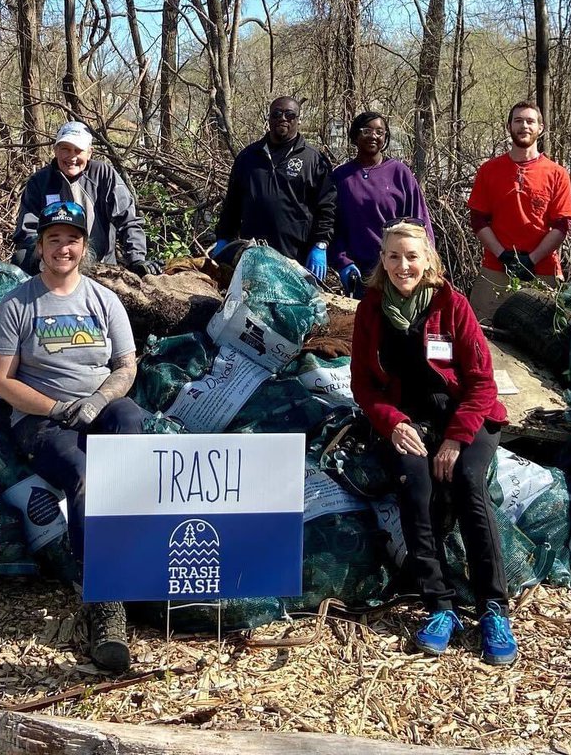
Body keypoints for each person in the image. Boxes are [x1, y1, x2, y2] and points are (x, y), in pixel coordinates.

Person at [0, 199, 144, 673]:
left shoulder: (103, 299)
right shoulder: (18, 303)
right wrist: (58, 407)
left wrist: (97, 401)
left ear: (84, 246)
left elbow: (126, 366)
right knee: (83, 475)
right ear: (39, 247)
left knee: (133, 429)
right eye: (53, 239)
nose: (63, 248)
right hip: (42, 420)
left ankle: (135, 555)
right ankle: (105, 603)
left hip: (99, 405)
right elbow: (1, 380)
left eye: (72, 239)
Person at [350, 221, 515, 665]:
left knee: (467, 483)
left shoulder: (451, 305)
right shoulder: (370, 310)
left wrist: (457, 440)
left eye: (412, 256)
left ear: (428, 261)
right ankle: (440, 606)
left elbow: (483, 383)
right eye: (393, 257)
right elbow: (363, 386)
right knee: (416, 488)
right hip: (409, 419)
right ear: (382, 262)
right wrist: (392, 423)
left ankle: (493, 608)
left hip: (466, 415)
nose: (403, 265)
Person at [466, 102, 571, 323]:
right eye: (518, 121)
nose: (524, 126)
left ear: (540, 128)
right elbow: (478, 220)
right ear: (509, 126)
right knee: (484, 332)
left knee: (545, 340)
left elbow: (562, 225)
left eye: (530, 121)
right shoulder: (489, 170)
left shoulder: (557, 173)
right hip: (496, 268)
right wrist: (503, 256)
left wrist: (531, 259)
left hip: (543, 269)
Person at [12, 121, 160, 277]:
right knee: (21, 257)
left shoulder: (103, 175)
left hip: (99, 264)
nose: (72, 157)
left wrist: (136, 259)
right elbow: (27, 231)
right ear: (55, 150)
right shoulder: (39, 181)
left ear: (89, 152)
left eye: (78, 150)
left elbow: (128, 220)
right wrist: (46, 259)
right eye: (65, 149)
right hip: (54, 261)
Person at [213, 96, 336, 279]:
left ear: (298, 120)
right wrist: (224, 237)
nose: (283, 118)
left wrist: (320, 243)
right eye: (277, 114)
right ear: (269, 118)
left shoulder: (314, 160)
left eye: (290, 114)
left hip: (296, 257)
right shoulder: (248, 158)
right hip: (253, 256)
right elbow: (232, 204)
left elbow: (327, 207)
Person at [331, 111, 433, 297]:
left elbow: (419, 221)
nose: (373, 136)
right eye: (367, 131)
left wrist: (428, 262)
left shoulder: (399, 173)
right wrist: (342, 261)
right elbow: (333, 226)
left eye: (380, 132)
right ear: (355, 135)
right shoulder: (341, 177)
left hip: (398, 269)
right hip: (360, 273)